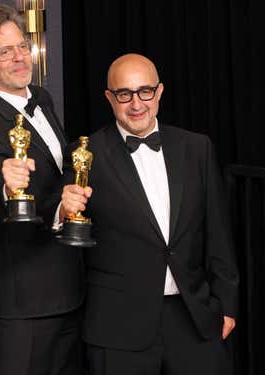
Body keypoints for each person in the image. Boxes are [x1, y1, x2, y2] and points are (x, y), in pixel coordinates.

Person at [60, 53, 239, 375]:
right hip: (118, 326)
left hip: (194, 318)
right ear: (109, 98)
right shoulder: (83, 155)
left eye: (145, 91)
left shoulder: (197, 148)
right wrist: (62, 209)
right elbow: (64, 221)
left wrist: (227, 306)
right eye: (124, 94)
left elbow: (218, 234)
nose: (136, 103)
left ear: (158, 92)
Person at [0, 5, 84, 375]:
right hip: (18, 305)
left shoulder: (42, 99)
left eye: (22, 46)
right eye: (5, 51)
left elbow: (60, 168)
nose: (20, 57)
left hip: (67, 288)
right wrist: (6, 187)